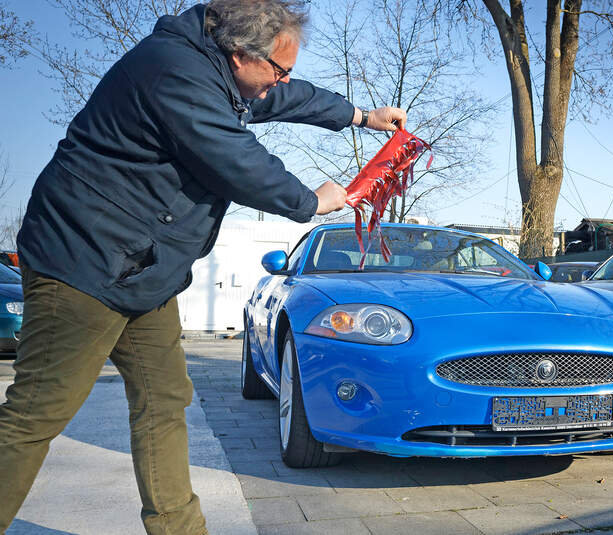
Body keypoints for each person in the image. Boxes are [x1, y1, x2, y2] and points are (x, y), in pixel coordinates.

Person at [0, 1, 406, 533]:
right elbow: (235, 157)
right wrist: (311, 200)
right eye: (277, 70)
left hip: (140, 270)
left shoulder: (220, 71)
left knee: (165, 400)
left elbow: (284, 96)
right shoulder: (175, 72)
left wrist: (359, 115)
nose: (281, 82)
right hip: (82, 260)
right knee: (38, 411)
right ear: (240, 55)